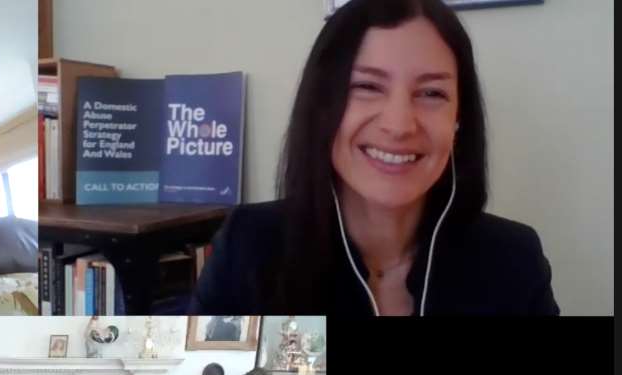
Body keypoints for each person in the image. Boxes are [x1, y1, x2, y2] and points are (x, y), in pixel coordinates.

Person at [190, 0, 559, 315]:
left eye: (431, 93)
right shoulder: (249, 247)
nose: (398, 125)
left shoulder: (513, 260)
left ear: (459, 118)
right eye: (366, 87)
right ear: (323, 106)